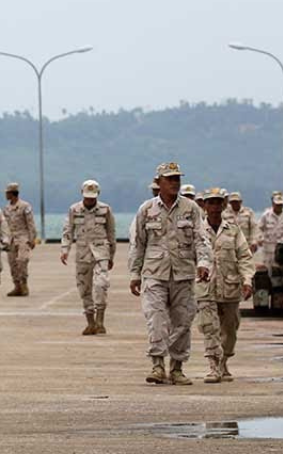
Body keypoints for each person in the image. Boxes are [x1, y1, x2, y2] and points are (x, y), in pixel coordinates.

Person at [129, 162, 212, 386]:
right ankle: (157, 365)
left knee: (182, 322)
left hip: (183, 274)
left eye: (177, 178)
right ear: (159, 182)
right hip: (154, 274)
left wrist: (204, 263)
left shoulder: (191, 208)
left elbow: (201, 239)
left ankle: (176, 368)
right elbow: (138, 243)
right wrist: (135, 274)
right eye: (170, 179)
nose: (175, 182)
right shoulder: (146, 209)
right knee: (156, 319)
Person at [196, 188, 254, 383]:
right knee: (209, 327)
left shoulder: (233, 230)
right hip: (205, 287)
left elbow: (244, 257)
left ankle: (224, 360)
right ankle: (213, 366)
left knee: (230, 328)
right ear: (204, 205)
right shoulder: (197, 231)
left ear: (223, 205)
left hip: (229, 286)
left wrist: (247, 281)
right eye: (210, 202)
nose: (214, 207)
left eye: (217, 202)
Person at [60, 180, 116, 336]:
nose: (90, 200)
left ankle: (100, 321)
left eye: (92, 197)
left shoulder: (105, 210)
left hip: (101, 253)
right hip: (82, 254)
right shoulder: (74, 209)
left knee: (101, 285)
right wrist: (65, 250)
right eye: (87, 197)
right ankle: (90, 323)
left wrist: (111, 255)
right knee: (84, 289)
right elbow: (68, 231)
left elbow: (111, 233)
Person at [3, 182, 39, 296]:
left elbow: (30, 223)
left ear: (12, 193)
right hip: (11, 238)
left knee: (22, 260)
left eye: (7, 193)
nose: (5, 195)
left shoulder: (25, 206)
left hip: (23, 237)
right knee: (12, 263)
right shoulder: (6, 208)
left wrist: (32, 238)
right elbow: (5, 225)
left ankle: (24, 284)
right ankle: (17, 286)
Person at [258, 192, 283, 269]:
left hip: (282, 248)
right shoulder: (266, 215)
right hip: (269, 247)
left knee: (282, 269)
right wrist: (260, 238)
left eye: (281, 205)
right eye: (277, 205)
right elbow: (259, 228)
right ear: (273, 204)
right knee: (268, 269)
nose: (279, 207)